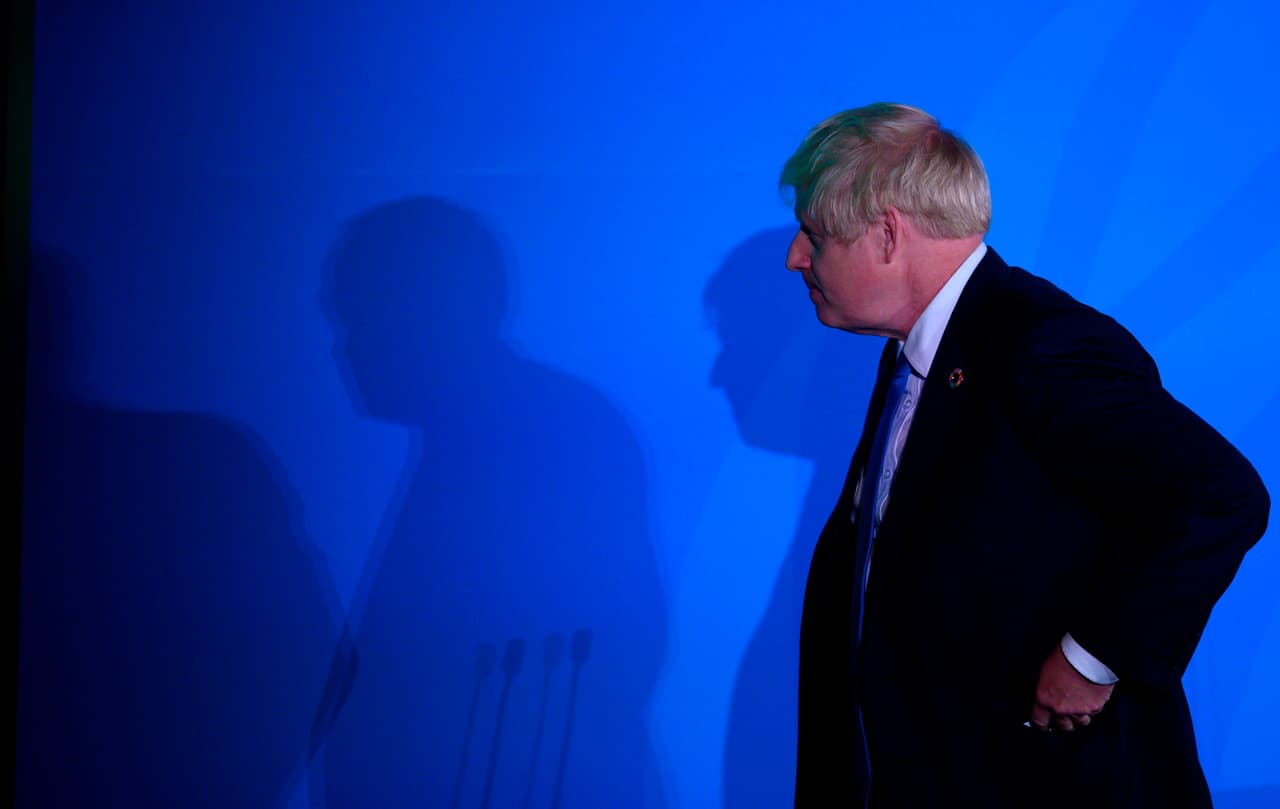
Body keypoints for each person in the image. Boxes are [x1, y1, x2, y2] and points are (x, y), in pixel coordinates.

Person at [780, 103, 1269, 809]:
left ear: (887, 234)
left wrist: (1092, 657)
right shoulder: (917, 351)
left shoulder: (1042, 345)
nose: (796, 256)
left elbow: (1221, 493)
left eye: (815, 235)